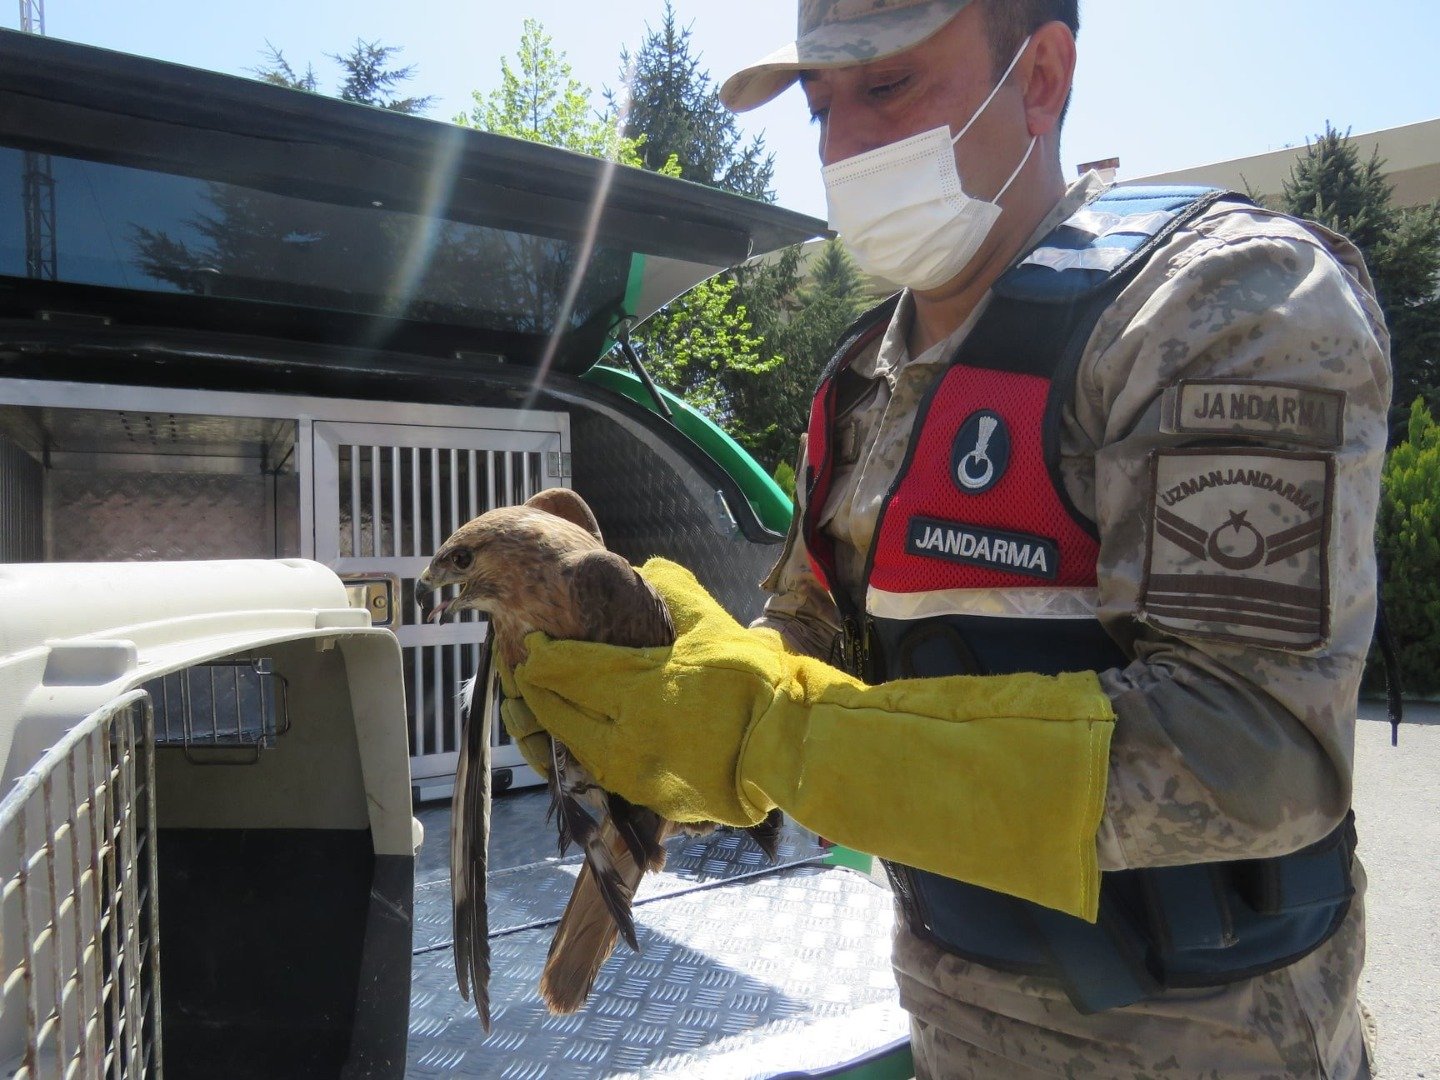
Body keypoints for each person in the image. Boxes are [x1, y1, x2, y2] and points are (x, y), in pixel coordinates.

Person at [508, 1, 1391, 1075]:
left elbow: (1251, 750)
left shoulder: (1225, 303)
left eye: (887, 88)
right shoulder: (860, 381)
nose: (842, 146)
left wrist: (776, 740)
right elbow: (808, 646)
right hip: (949, 1033)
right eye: (820, 106)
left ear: (1042, 77)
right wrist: (660, 702)